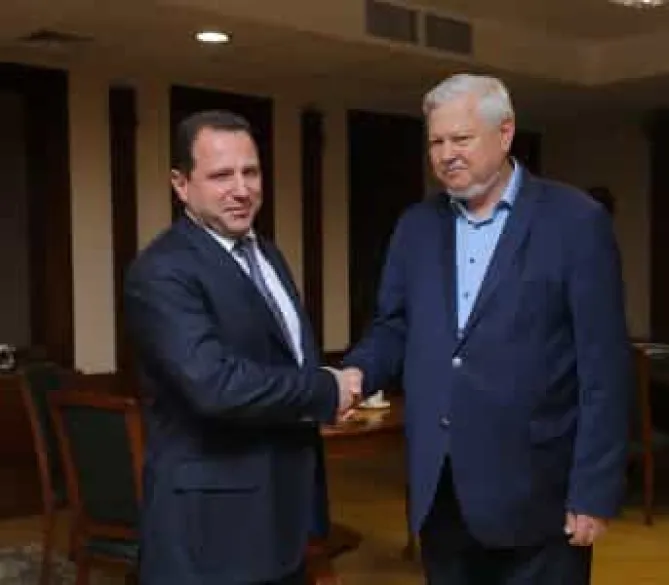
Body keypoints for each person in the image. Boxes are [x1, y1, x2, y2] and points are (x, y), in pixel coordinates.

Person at [343, 74, 632, 584]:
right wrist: (356, 374)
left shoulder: (576, 222)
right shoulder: (415, 226)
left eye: (461, 139)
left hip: (539, 497)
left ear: (505, 133)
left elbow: (604, 369)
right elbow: (393, 326)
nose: (446, 155)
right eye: (436, 142)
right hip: (442, 493)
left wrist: (593, 491)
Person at [124, 110, 361, 585]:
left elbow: (288, 356)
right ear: (181, 184)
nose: (241, 189)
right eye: (221, 176)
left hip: (284, 517)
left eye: (250, 172)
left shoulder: (267, 253)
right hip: (211, 533)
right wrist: (325, 389)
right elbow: (216, 386)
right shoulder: (162, 271)